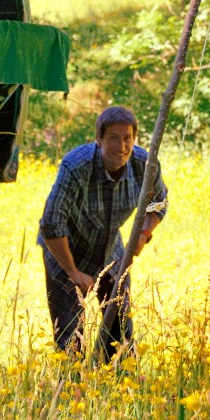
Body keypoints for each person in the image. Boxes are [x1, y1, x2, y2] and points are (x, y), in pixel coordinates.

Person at [37, 106, 168, 361]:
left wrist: (143, 233)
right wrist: (74, 273)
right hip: (65, 253)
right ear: (98, 139)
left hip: (110, 250)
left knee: (120, 326)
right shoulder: (76, 167)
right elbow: (51, 224)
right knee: (70, 336)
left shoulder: (144, 164)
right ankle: (72, 388)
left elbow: (159, 202)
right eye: (113, 138)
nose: (121, 146)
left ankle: (117, 381)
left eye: (127, 138)